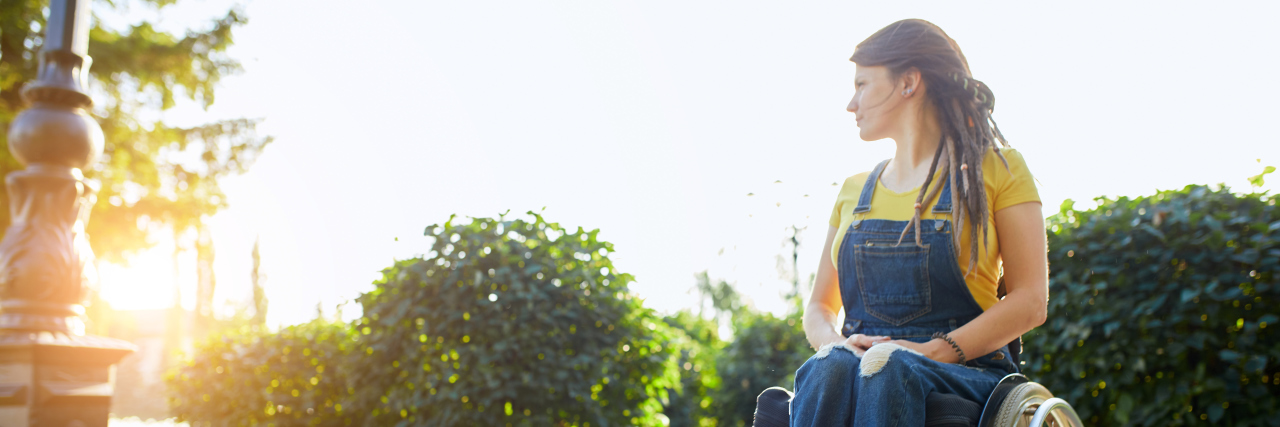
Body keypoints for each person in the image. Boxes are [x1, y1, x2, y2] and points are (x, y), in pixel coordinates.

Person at [788, 19, 1048, 426]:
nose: (851, 104)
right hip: (862, 365)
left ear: (908, 82)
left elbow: (1030, 301)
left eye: (861, 84)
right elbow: (820, 307)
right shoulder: (853, 191)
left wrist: (928, 351)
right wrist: (837, 345)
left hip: (966, 373)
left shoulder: (999, 168)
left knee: (889, 366)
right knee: (830, 366)